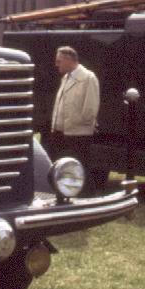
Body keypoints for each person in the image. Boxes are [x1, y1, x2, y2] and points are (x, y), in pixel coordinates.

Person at [50, 46, 101, 190]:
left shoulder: (88, 78)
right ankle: (66, 191)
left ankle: (88, 194)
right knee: (63, 167)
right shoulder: (66, 78)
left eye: (59, 61)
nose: (56, 64)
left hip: (78, 134)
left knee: (80, 167)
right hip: (61, 132)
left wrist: (78, 124)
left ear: (69, 60)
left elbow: (91, 107)